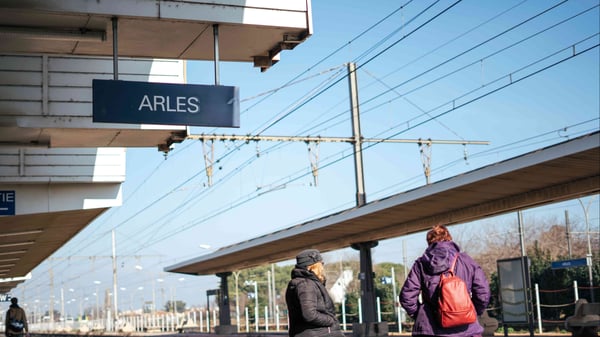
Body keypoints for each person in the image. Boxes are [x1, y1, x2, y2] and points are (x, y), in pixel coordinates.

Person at [400, 225, 490, 337]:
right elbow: (483, 293)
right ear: (449, 238)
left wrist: (422, 315)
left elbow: (407, 297)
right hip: (467, 330)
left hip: (430, 329)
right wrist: (470, 312)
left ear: (429, 242)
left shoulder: (421, 264)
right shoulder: (466, 261)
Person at [285, 249, 344, 337]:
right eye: (321, 264)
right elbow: (309, 315)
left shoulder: (306, 283)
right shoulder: (306, 285)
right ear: (312, 266)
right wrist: (331, 320)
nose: (322, 268)